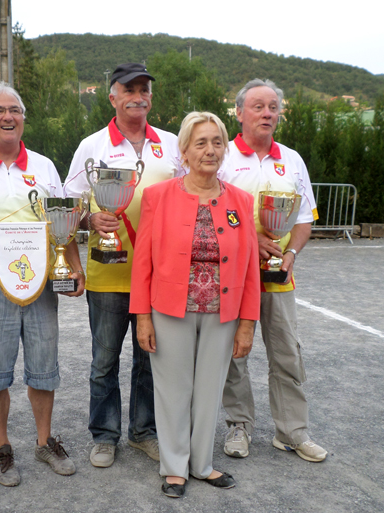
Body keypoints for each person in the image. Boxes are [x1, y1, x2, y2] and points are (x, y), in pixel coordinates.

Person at [0, 82, 84, 487]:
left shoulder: (42, 166)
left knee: (44, 370)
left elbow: (65, 222)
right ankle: (3, 448)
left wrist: (73, 267)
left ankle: (44, 441)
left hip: (41, 286)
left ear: (23, 119)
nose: (9, 116)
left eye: (16, 110)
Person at [130, 112, 260, 498]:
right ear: (184, 151)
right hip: (170, 310)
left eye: (217, 142)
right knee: (172, 390)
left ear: (225, 149)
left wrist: (248, 323)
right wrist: (142, 317)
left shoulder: (241, 201)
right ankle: (174, 467)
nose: (210, 150)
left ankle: (202, 464)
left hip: (224, 312)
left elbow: (251, 266)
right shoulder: (158, 197)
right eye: (200, 143)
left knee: (209, 389)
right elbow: (143, 264)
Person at [64, 63, 183, 468]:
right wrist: (89, 219)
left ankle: (143, 432)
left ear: (151, 97)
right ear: (112, 96)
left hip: (160, 274)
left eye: (144, 88)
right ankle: (104, 435)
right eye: (128, 88)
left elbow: (190, 196)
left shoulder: (171, 145)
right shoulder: (91, 146)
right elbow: (71, 203)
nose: (138, 95)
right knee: (104, 360)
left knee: (150, 358)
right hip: (108, 270)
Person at [220, 79, 328, 462]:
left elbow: (303, 219)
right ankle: (239, 426)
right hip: (232, 275)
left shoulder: (292, 160)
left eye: (273, 108)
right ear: (239, 112)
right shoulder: (224, 156)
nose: (267, 113)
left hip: (278, 275)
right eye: (258, 107)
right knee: (234, 353)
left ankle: (292, 432)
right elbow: (215, 217)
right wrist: (250, 241)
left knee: (286, 354)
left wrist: (292, 252)